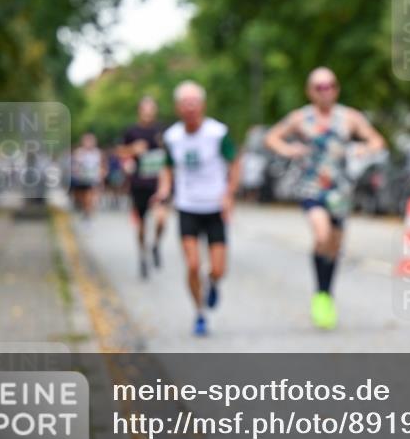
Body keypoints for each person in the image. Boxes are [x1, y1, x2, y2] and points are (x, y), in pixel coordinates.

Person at [264, 67, 386, 330]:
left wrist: (363, 149)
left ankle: (326, 294)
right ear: (310, 91)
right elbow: (271, 137)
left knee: (334, 246)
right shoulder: (300, 118)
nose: (325, 91)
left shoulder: (349, 118)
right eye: (319, 87)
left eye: (330, 85)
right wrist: (288, 148)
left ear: (336, 89)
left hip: (340, 191)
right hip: (311, 187)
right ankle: (319, 294)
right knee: (321, 235)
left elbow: (377, 141)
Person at [153, 81, 241, 337]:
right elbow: (167, 168)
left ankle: (212, 283)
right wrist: (164, 189)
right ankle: (200, 313)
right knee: (192, 265)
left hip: (214, 207)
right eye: (185, 102)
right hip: (188, 207)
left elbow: (235, 163)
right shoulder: (172, 137)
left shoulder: (217, 133)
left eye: (194, 102)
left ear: (201, 105)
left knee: (218, 269)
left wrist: (229, 194)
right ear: (178, 107)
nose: (190, 107)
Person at [120, 96, 169, 279]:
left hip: (158, 183)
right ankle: (142, 254)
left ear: (155, 111)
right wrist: (133, 149)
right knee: (141, 225)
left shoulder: (161, 130)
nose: (148, 112)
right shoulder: (131, 131)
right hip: (139, 183)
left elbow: (168, 157)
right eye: (145, 109)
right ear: (139, 110)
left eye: (151, 109)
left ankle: (156, 244)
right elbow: (120, 152)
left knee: (161, 220)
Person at [69, 133, 104, 220]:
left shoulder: (97, 153)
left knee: (90, 197)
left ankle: (89, 213)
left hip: (93, 178)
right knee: (83, 197)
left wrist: (101, 175)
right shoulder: (79, 152)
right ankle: (85, 210)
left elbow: (102, 165)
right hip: (81, 178)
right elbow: (74, 165)